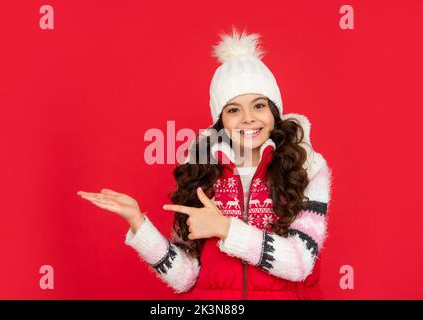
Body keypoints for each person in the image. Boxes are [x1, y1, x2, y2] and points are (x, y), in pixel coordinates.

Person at [78, 26, 333, 300]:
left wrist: (224, 228)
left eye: (259, 106)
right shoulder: (202, 172)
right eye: (233, 109)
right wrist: (139, 224)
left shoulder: (306, 168)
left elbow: (300, 263)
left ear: (274, 112)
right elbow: (186, 277)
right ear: (220, 120)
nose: (248, 118)